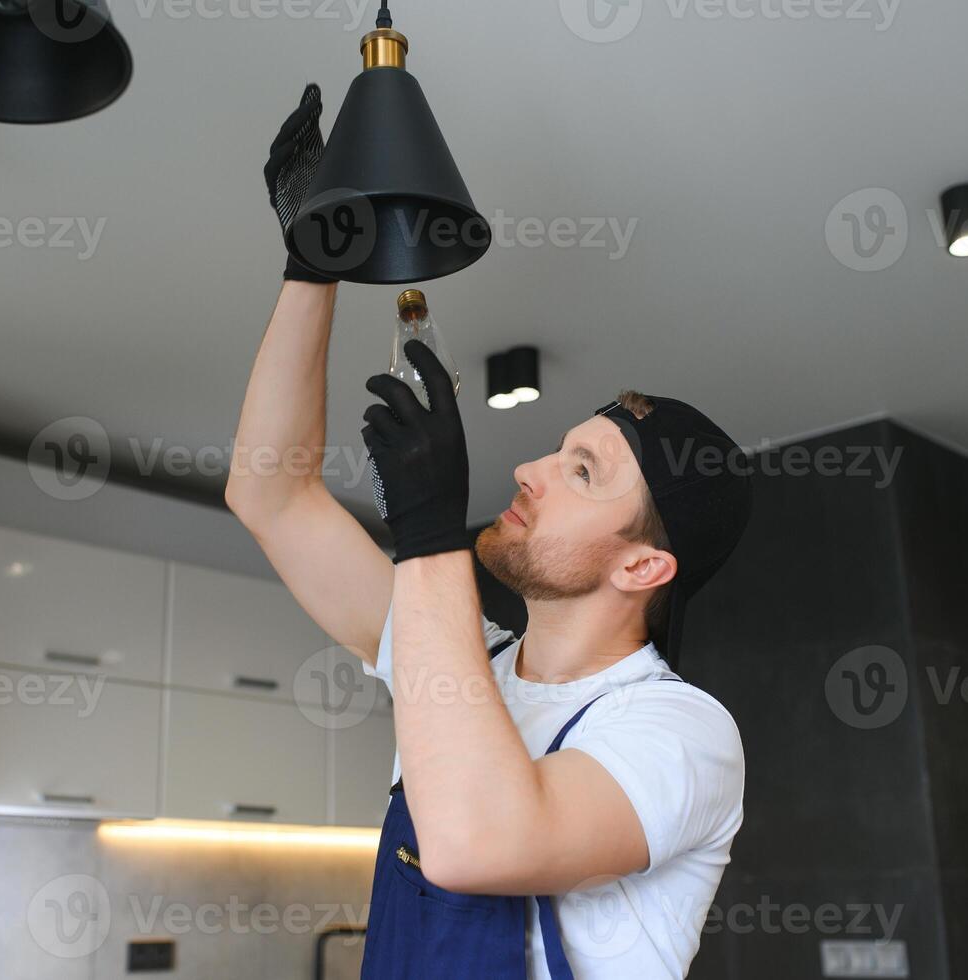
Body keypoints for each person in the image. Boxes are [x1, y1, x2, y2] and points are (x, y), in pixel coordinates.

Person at [225, 84, 753, 980]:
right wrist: (312, 270)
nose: (528, 471)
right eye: (555, 451)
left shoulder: (680, 733)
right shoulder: (459, 654)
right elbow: (269, 496)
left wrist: (429, 533)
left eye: (581, 471)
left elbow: (476, 845)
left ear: (643, 563)